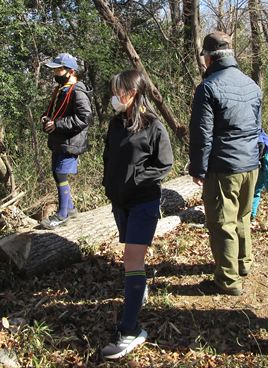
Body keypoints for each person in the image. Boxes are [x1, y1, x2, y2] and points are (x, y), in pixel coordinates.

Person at [101, 70, 173, 359]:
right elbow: (108, 156)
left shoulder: (153, 125)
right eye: (115, 90)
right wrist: (110, 185)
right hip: (120, 203)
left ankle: (130, 330)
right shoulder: (115, 123)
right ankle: (138, 288)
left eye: (122, 90)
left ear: (135, 92)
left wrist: (137, 180)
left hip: (144, 202)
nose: (116, 96)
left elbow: (165, 164)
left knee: (131, 257)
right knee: (132, 258)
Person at [189, 31, 262, 296]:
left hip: (223, 166)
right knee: (242, 216)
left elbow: (202, 134)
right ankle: (243, 263)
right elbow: (257, 127)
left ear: (209, 58)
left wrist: (198, 167)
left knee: (222, 223)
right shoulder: (252, 84)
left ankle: (228, 280)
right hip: (251, 163)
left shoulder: (208, 88)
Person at [39, 53, 92, 229]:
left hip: (70, 141)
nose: (55, 74)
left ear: (70, 71)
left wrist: (58, 124)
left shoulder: (77, 90)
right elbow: (56, 112)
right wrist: (46, 119)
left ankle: (62, 215)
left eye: (58, 70)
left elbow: (84, 118)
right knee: (57, 173)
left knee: (61, 173)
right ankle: (70, 208)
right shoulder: (61, 89)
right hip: (60, 140)